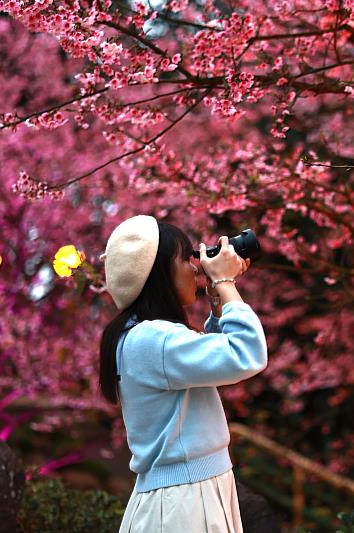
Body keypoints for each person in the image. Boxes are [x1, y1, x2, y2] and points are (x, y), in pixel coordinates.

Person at [97, 214, 267, 532]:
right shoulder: (152, 339)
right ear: (159, 274)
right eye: (185, 258)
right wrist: (224, 283)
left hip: (187, 494)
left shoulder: (143, 336)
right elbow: (247, 353)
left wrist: (218, 300)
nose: (195, 267)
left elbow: (218, 358)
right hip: (184, 503)